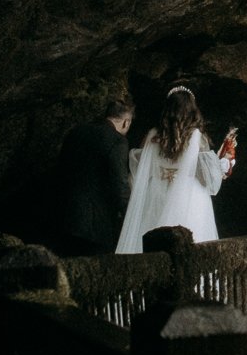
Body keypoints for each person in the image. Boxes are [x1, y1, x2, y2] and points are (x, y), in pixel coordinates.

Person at [115, 85, 233, 253]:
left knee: (153, 248)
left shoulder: (152, 136)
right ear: (193, 110)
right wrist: (223, 165)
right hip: (190, 200)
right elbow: (211, 182)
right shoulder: (198, 138)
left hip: (156, 198)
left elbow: (138, 173)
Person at [56, 95, 134, 254]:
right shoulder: (117, 141)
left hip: (63, 214)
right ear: (126, 122)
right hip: (95, 224)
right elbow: (120, 184)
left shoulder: (76, 131)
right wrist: (129, 214)